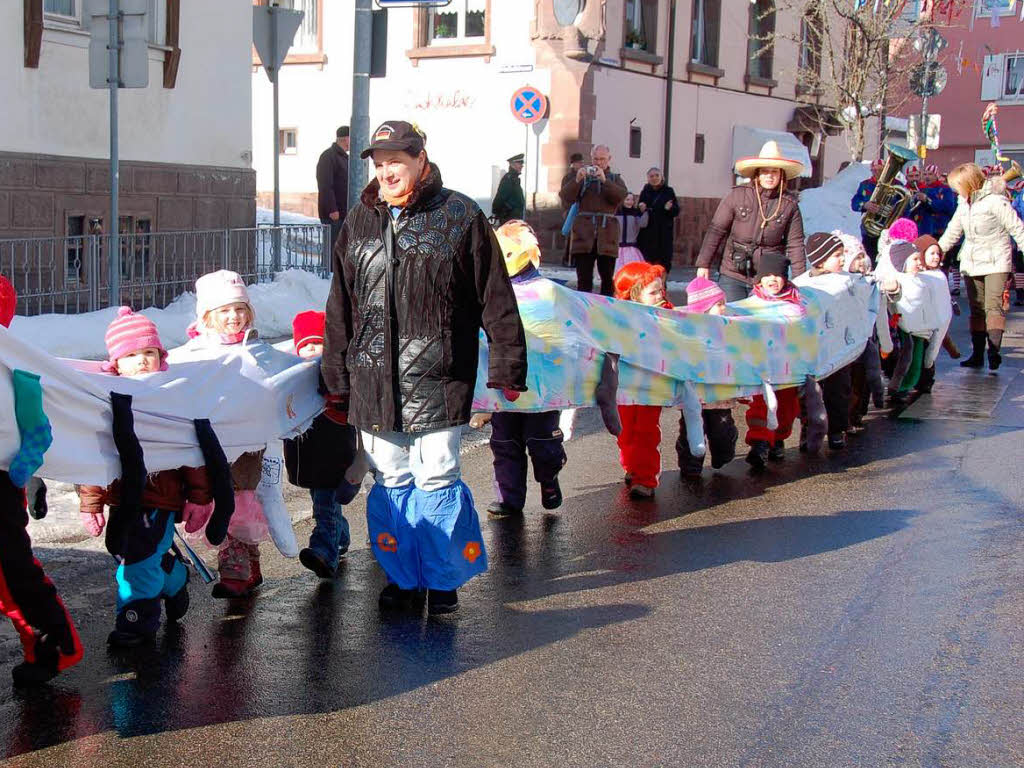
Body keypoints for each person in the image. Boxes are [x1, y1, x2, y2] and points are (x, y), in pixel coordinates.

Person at [322, 120, 528, 615]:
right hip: (372, 378)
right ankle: (404, 578)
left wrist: (507, 363)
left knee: (437, 476)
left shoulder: (460, 215)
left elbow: (494, 296)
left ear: (420, 159)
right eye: (380, 162)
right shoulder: (360, 221)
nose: (388, 170)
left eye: (398, 160)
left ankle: (442, 577)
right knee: (390, 480)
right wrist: (336, 377)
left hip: (440, 374)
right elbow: (340, 305)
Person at [77, 307, 213, 648]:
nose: (142, 361)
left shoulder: (170, 398)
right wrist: (91, 502)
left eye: (149, 353)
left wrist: (199, 496)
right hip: (122, 499)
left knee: (136, 563)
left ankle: (137, 620)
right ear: (116, 364)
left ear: (161, 357)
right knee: (124, 551)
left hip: (159, 498)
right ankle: (173, 577)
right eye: (132, 355)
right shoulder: (108, 400)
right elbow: (98, 455)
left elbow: (190, 452)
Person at [0, 276, 84, 686]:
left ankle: (53, 647)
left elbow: (37, 430)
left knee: (11, 571)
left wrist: (26, 471)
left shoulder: (15, 366)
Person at [173, 270, 268, 598]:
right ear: (207, 316)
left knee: (240, 499)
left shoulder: (256, 347)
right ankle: (243, 562)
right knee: (216, 498)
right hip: (209, 443)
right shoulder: (194, 352)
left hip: (246, 445)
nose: (234, 316)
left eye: (240, 308)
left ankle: (237, 563)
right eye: (225, 310)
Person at [481, 220, 567, 518]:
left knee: (543, 443)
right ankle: (509, 498)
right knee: (504, 442)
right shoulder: (491, 293)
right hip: (505, 384)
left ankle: (549, 479)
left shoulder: (549, 292)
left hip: (541, 386)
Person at [284, 311, 361, 579]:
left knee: (324, 503)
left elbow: (347, 413)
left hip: (333, 453)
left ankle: (324, 551)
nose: (311, 351)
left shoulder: (337, 377)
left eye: (317, 344)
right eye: (305, 345)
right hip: (308, 457)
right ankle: (340, 536)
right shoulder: (292, 378)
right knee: (322, 500)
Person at [939, 162, 1024, 371]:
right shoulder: (963, 203)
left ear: (969, 183)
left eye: (957, 185)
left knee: (993, 306)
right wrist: (935, 250)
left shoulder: (996, 201)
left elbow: (1017, 228)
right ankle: (977, 355)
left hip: (996, 260)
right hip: (972, 261)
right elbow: (953, 231)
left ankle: (993, 352)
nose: (955, 190)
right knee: (976, 308)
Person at [696, 141, 806, 302]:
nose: (769, 176)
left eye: (774, 171)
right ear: (757, 174)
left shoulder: (789, 205)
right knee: (733, 320)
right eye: (765, 171)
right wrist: (703, 264)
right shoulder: (738, 195)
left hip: (770, 277)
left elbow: (795, 244)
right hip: (733, 272)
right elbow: (716, 230)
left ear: (781, 174)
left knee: (764, 324)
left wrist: (800, 280)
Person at [612, 261, 673, 499]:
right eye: (653, 292)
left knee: (646, 430)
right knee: (625, 429)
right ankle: (632, 466)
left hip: (652, 383)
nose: (660, 295)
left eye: (661, 289)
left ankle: (645, 478)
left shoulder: (667, 314)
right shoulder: (619, 316)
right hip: (625, 383)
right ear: (634, 296)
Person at [742, 253, 806, 470]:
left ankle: (778, 438)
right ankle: (759, 443)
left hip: (788, 366)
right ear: (759, 279)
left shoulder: (796, 303)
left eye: (778, 275)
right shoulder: (751, 304)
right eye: (767, 275)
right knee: (761, 406)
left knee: (787, 408)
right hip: (762, 367)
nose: (772, 279)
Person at [675, 276, 738, 478]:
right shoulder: (688, 331)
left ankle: (723, 453)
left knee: (721, 429)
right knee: (691, 431)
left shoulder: (728, 328)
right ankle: (690, 466)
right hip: (694, 394)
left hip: (720, 394)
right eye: (718, 304)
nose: (723, 308)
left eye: (723, 303)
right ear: (703, 308)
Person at [802, 232, 853, 449]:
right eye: (837, 255)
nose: (842, 259)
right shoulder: (804, 283)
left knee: (839, 390)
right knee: (810, 393)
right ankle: (808, 429)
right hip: (814, 349)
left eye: (843, 254)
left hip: (838, 347)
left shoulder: (847, 281)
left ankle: (837, 429)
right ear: (821, 259)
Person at [559, 144, 628, 296]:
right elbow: (565, 197)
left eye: (602, 159)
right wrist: (577, 180)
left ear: (609, 159)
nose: (598, 163)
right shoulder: (581, 177)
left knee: (607, 279)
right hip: (584, 235)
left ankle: (607, 312)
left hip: (607, 235)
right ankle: (584, 313)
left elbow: (620, 198)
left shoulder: (615, 179)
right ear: (591, 158)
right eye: (596, 159)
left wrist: (605, 181)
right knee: (584, 279)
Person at [636, 167, 679, 272]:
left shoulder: (668, 191)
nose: (654, 178)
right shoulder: (645, 191)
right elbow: (638, 212)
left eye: (657, 175)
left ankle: (662, 285)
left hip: (663, 234)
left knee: (663, 264)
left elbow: (676, 211)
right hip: (647, 234)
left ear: (661, 177)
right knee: (647, 264)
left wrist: (669, 209)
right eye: (651, 176)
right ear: (648, 178)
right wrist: (640, 208)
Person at [317, 125, 350, 249]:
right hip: (333, 215)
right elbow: (325, 185)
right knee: (333, 249)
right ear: (346, 138)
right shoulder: (328, 156)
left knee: (341, 249)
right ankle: (331, 269)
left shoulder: (344, 158)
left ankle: (337, 269)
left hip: (343, 212)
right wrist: (332, 209)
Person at [850, 158, 891, 259]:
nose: (877, 173)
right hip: (869, 231)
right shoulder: (865, 185)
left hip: (888, 228)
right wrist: (865, 205)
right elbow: (854, 204)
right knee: (870, 256)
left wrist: (890, 209)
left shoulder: (896, 184)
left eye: (880, 170)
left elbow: (903, 205)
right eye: (874, 170)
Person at [908, 164, 957, 240]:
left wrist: (927, 200)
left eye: (930, 174)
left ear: (936, 175)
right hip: (923, 230)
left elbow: (949, 207)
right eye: (925, 174)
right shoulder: (921, 189)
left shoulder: (945, 189)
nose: (927, 176)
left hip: (939, 230)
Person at [560, 153, 585, 266]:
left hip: (581, 209)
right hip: (570, 209)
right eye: (579, 162)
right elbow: (565, 194)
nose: (581, 164)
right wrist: (566, 209)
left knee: (579, 235)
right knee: (570, 235)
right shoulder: (568, 178)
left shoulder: (584, 176)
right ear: (573, 164)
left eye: (582, 162)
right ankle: (567, 258)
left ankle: (576, 258)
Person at [615, 192, 648, 273]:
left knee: (633, 271)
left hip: (631, 248)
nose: (630, 202)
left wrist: (645, 212)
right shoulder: (616, 213)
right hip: (617, 248)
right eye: (627, 199)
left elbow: (643, 224)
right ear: (622, 200)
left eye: (632, 200)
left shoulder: (635, 213)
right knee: (616, 271)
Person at [492, 153, 526, 225]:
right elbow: (500, 199)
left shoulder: (514, 179)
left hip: (514, 220)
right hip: (508, 221)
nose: (522, 166)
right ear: (512, 164)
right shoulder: (508, 179)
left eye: (522, 163)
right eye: (519, 163)